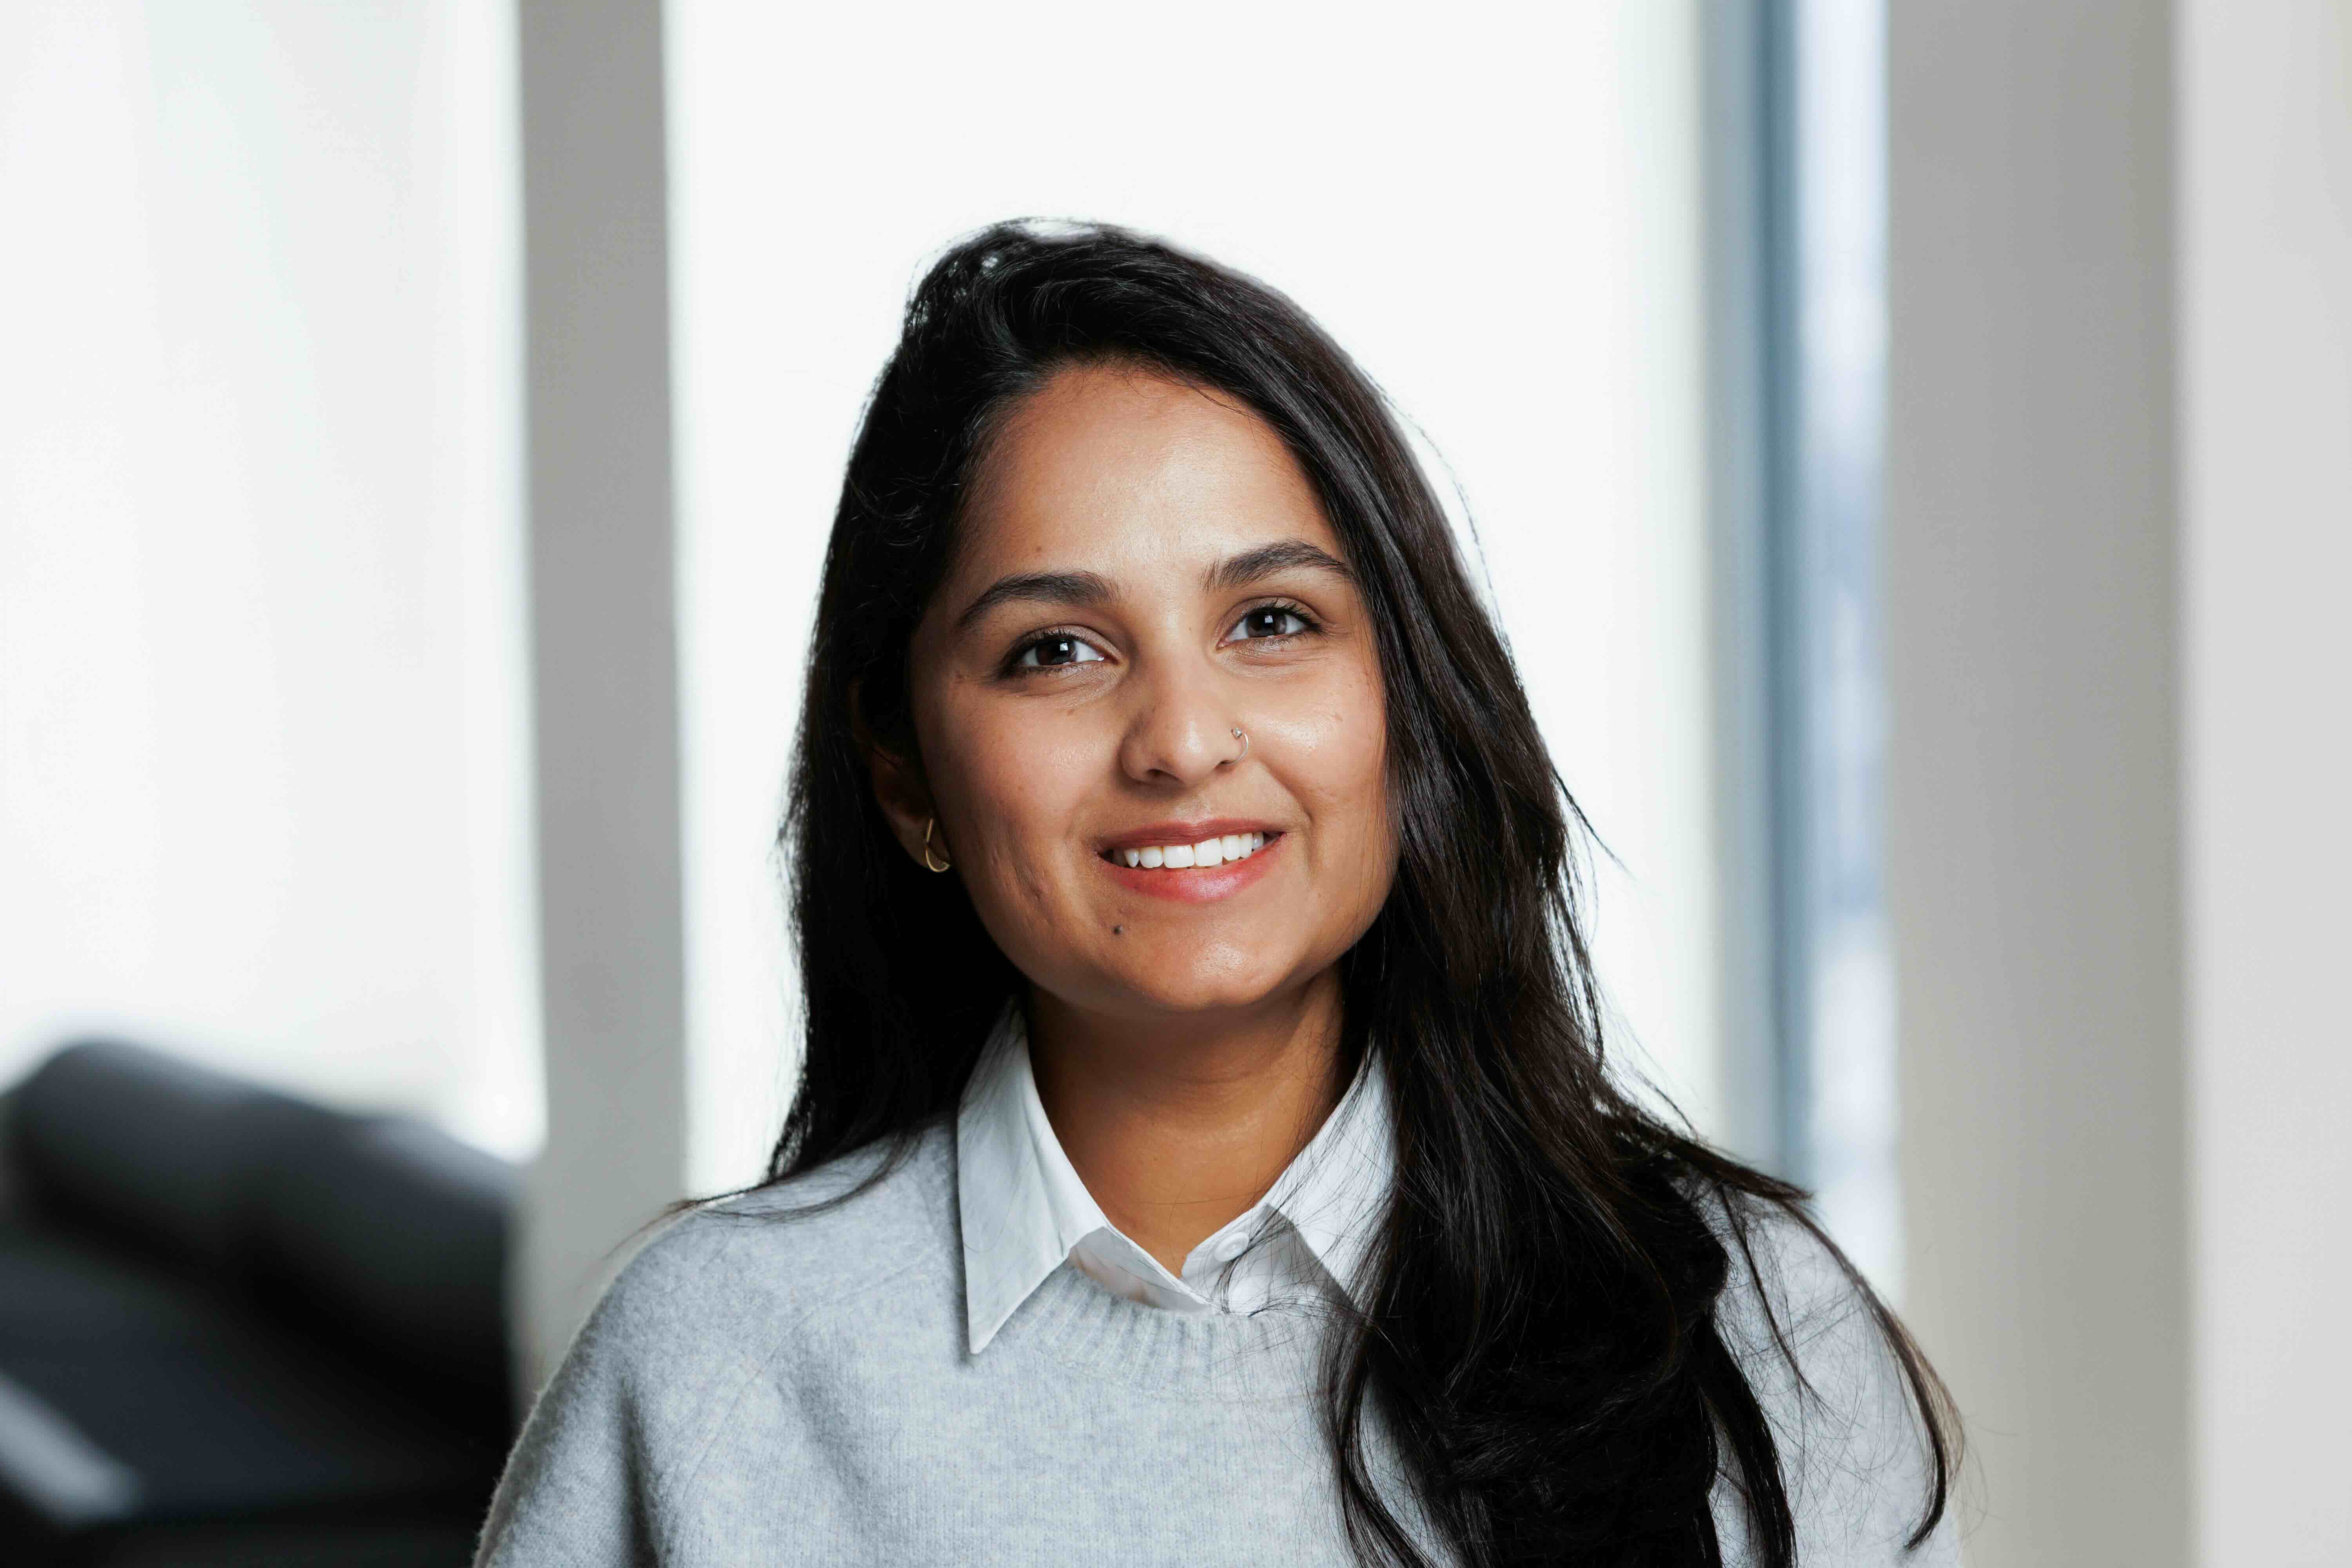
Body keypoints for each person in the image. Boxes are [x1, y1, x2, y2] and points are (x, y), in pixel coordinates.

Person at [475, 221, 1961, 1568]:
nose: (1183, 742)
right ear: (910, 776)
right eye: (1056, 648)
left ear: (1406, 706)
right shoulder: (711, 1371)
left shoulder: (1751, 1327)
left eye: (1271, 620)